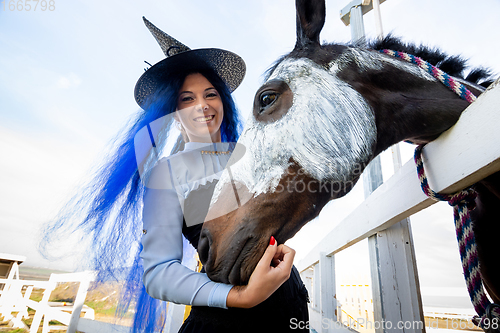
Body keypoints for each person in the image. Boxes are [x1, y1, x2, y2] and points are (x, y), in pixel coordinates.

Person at [42, 17, 309, 333]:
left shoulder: (250, 153)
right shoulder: (167, 175)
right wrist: (242, 296)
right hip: (227, 319)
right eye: (187, 99)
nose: (202, 106)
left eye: (210, 94)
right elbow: (159, 273)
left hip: (289, 306)